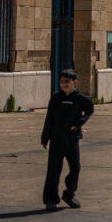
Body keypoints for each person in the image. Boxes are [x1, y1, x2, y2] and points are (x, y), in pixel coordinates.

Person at [41, 68, 94, 211]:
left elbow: (90, 109)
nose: (64, 84)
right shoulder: (56, 98)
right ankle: (51, 200)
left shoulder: (79, 98)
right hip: (56, 139)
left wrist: (78, 124)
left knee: (75, 168)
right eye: (62, 82)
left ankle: (69, 194)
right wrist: (45, 137)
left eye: (67, 82)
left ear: (74, 82)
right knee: (53, 170)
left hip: (72, 140)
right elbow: (49, 118)